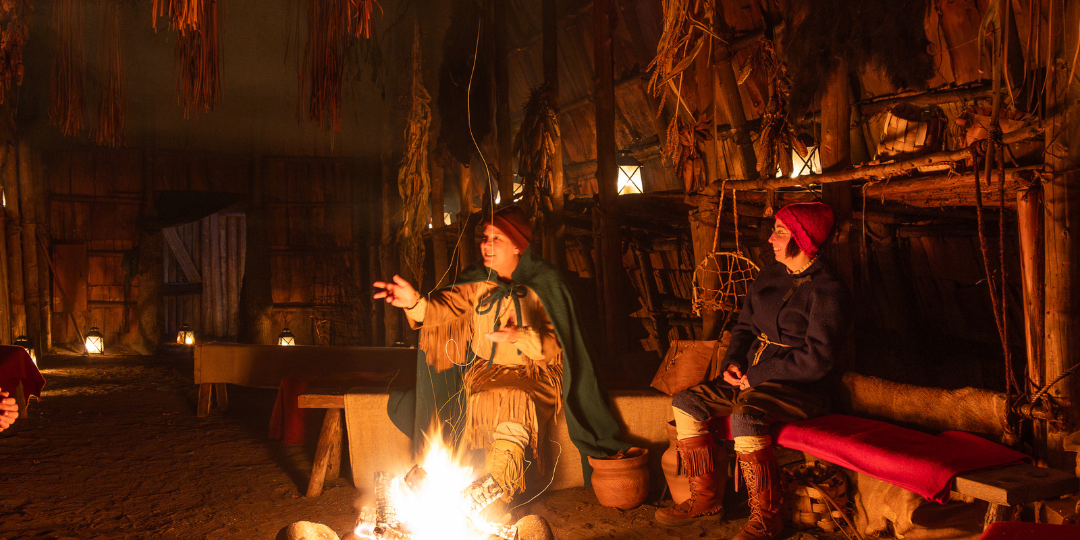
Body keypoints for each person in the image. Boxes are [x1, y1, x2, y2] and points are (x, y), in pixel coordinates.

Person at [375, 205, 627, 499]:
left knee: (514, 400)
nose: (487, 245)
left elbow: (559, 345)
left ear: (519, 245)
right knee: (476, 402)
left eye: (497, 239)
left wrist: (519, 335)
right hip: (485, 373)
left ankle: (498, 492)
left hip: (536, 374)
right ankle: (467, 487)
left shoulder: (545, 282)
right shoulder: (475, 280)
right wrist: (413, 302)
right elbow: (440, 313)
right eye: (485, 237)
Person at [654, 202, 852, 540]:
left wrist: (757, 376)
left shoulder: (827, 290)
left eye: (779, 232)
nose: (770, 239)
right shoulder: (769, 275)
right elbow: (744, 326)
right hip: (749, 374)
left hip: (799, 386)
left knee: (745, 416)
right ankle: (705, 499)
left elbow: (817, 359)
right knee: (687, 402)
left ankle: (767, 518)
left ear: (802, 239)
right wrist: (734, 362)